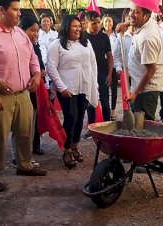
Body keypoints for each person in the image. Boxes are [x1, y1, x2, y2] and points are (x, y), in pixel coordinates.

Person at [0, 0, 47, 193]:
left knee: (25, 132)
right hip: (0, 96)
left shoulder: (19, 33)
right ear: (1, 10)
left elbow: (33, 58)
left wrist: (36, 74)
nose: (19, 14)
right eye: (15, 9)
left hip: (23, 93)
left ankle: (25, 165)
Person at [47, 14, 98, 169]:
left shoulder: (86, 42)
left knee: (80, 118)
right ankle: (67, 150)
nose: (78, 29)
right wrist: (61, 87)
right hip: (67, 89)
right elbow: (51, 68)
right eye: (74, 26)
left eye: (79, 26)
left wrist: (93, 84)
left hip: (84, 86)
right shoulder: (56, 45)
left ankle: (75, 146)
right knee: (70, 118)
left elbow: (93, 64)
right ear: (66, 27)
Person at [115, 0, 163, 121]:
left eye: (136, 12)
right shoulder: (147, 22)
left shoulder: (147, 38)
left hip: (146, 90)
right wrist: (126, 24)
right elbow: (135, 17)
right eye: (131, 10)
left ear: (146, 16)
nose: (131, 14)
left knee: (143, 125)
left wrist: (135, 93)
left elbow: (150, 70)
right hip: (139, 84)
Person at [18, 16, 46, 156]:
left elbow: (39, 63)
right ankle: (21, 154)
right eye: (32, 30)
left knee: (34, 117)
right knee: (23, 124)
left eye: (37, 31)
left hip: (36, 87)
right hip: (23, 88)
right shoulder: (18, 45)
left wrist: (41, 71)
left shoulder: (35, 45)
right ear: (22, 30)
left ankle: (35, 146)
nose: (35, 33)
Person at [83, 11, 113, 140]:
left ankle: (108, 126)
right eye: (93, 23)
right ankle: (92, 127)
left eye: (98, 23)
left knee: (105, 101)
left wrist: (110, 73)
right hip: (88, 74)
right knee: (90, 101)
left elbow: (110, 56)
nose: (96, 26)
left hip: (103, 73)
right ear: (86, 23)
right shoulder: (82, 37)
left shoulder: (104, 37)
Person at [102, 14, 118, 121]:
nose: (108, 23)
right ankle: (105, 110)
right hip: (103, 66)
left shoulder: (116, 36)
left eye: (110, 21)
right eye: (106, 21)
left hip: (115, 66)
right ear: (102, 23)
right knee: (104, 89)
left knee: (114, 90)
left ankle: (113, 110)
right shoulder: (100, 35)